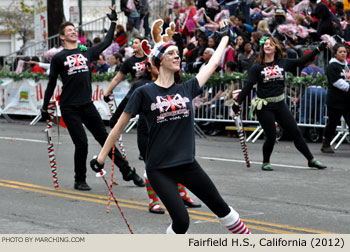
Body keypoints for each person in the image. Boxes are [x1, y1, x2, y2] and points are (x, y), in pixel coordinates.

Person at [91, 22, 251, 234]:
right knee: (182, 222)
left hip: (187, 164)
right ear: (159, 61)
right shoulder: (144, 93)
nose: (177, 56)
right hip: (159, 169)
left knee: (223, 210)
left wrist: (224, 38)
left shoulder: (187, 88)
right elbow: (118, 127)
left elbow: (211, 65)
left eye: (178, 53)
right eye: (171, 53)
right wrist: (101, 158)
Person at [40, 6, 144, 191]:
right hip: (69, 106)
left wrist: (113, 22)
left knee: (106, 139)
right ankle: (79, 179)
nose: (74, 32)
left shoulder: (85, 51)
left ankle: (127, 171)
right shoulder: (58, 58)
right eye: (69, 31)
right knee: (81, 143)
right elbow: (51, 82)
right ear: (62, 37)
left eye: (74, 30)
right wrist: (44, 107)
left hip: (87, 104)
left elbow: (106, 41)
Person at [232, 35, 327, 171]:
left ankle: (311, 160)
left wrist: (318, 49)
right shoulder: (257, 67)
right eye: (266, 44)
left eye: (271, 44)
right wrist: (237, 103)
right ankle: (266, 162)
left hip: (280, 104)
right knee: (271, 136)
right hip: (264, 106)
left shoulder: (282, 63)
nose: (268, 46)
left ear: (276, 48)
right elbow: (248, 86)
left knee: (296, 133)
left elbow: (301, 61)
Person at [104, 36, 147, 127]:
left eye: (136, 43)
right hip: (136, 90)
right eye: (132, 43)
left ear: (143, 44)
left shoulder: (150, 58)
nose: (133, 45)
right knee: (115, 119)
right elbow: (117, 78)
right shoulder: (129, 61)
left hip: (150, 90)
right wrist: (107, 92)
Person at [321, 43, 350, 153]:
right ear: (335, 54)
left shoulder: (347, 66)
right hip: (335, 101)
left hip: (347, 101)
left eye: (345, 52)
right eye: (340, 52)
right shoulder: (332, 66)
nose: (343, 53)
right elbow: (337, 82)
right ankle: (325, 144)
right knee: (333, 123)